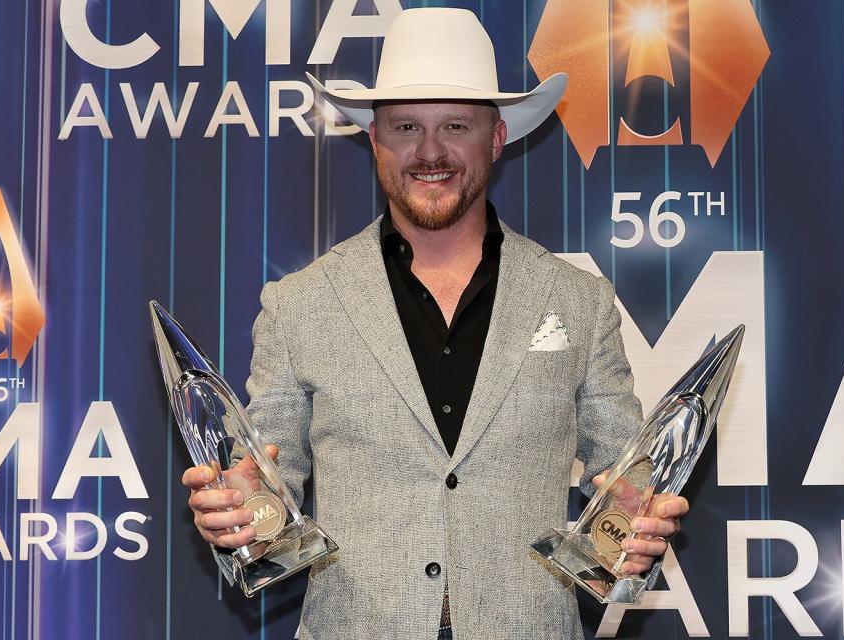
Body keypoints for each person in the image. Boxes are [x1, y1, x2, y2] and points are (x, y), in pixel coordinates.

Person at [182, 8, 688, 640]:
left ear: (497, 138)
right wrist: (241, 514)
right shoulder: (301, 304)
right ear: (374, 139)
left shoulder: (578, 301)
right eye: (405, 126)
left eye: (454, 125)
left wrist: (632, 523)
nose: (429, 151)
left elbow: (623, 476)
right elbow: (268, 490)